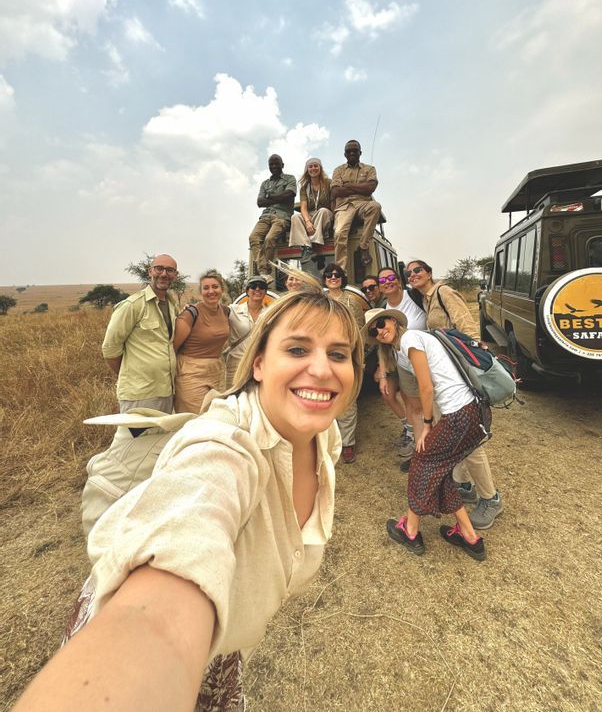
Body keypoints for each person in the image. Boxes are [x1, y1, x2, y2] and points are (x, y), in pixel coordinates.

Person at [15, 290, 364, 712]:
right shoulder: (226, 445)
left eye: (339, 354)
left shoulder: (324, 436)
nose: (322, 369)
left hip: (229, 648)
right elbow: (178, 554)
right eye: (296, 349)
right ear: (257, 363)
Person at [363, 308, 488, 561]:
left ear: (394, 320)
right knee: (437, 469)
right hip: (470, 412)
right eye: (374, 331)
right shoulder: (400, 349)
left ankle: (410, 531)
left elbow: (426, 387)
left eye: (381, 323)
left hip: (459, 413)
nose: (379, 330)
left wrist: (428, 423)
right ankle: (470, 536)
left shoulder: (410, 339)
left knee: (421, 463)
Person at [81, 254, 179, 536]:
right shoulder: (132, 306)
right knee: (127, 450)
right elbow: (110, 349)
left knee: (150, 451)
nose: (164, 274)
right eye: (159, 269)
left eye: (169, 270)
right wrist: (131, 377)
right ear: (150, 271)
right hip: (140, 393)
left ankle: (143, 507)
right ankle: (107, 504)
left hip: (166, 389)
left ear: (175, 275)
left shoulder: (171, 303)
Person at [405, 260, 504, 530]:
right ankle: (465, 484)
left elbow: (467, 327)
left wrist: (470, 365)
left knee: (470, 442)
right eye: (409, 272)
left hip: (460, 374)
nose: (413, 275)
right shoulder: (427, 300)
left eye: (418, 270)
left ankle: (491, 498)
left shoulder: (444, 292)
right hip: (450, 373)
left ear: (429, 272)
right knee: (458, 440)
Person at [375, 267, 426, 459]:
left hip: (425, 359)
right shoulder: (384, 308)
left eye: (391, 277)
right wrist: (382, 372)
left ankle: (429, 442)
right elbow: (383, 345)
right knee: (412, 403)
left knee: (429, 402)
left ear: (398, 281)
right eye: (382, 280)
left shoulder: (414, 297)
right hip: (403, 363)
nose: (387, 282)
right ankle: (416, 440)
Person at [323, 262, 365, 463]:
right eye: (329, 275)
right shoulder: (320, 301)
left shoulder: (352, 302)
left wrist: (356, 356)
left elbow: (361, 332)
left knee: (347, 399)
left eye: (337, 274)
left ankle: (348, 443)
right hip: (323, 355)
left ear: (342, 278)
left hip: (346, 354)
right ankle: (328, 441)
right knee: (324, 397)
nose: (333, 277)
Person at [173, 270, 230, 414]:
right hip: (191, 373)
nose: (211, 291)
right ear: (200, 292)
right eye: (206, 288)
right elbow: (173, 347)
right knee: (195, 419)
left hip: (216, 371)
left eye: (215, 287)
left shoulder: (225, 311)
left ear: (222, 289)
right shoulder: (191, 313)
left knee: (215, 416)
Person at [331, 139, 382, 272]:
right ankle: (340, 271)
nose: (352, 153)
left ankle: (363, 247)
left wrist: (347, 186)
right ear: (345, 154)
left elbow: (370, 188)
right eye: (349, 151)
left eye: (355, 150)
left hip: (363, 204)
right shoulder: (338, 170)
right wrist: (360, 187)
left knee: (375, 206)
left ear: (360, 152)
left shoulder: (369, 169)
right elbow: (336, 191)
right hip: (344, 206)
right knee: (339, 232)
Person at [249, 154, 296, 281]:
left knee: (269, 238)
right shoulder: (265, 183)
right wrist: (279, 197)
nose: (274, 166)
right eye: (271, 164)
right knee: (253, 237)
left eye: (277, 164)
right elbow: (260, 202)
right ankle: (264, 272)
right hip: (265, 216)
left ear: (283, 165)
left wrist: (269, 197)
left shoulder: (290, 179)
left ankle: (264, 271)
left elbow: (289, 194)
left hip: (282, 216)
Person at [225, 275, 269, 388]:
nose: (257, 289)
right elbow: (212, 310)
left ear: (265, 292)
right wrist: (192, 309)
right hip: (236, 363)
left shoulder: (270, 313)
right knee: (233, 397)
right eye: (253, 286)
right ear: (247, 291)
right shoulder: (233, 310)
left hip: (259, 363)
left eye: (261, 286)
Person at [288, 158, 333, 262]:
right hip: (311, 215)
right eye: (310, 166)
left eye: (316, 166)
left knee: (323, 211)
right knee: (295, 217)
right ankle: (306, 246)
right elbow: (303, 208)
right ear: (307, 170)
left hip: (326, 214)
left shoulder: (328, 183)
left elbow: (333, 202)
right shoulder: (304, 187)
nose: (313, 168)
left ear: (320, 168)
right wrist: (307, 222)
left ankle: (315, 243)